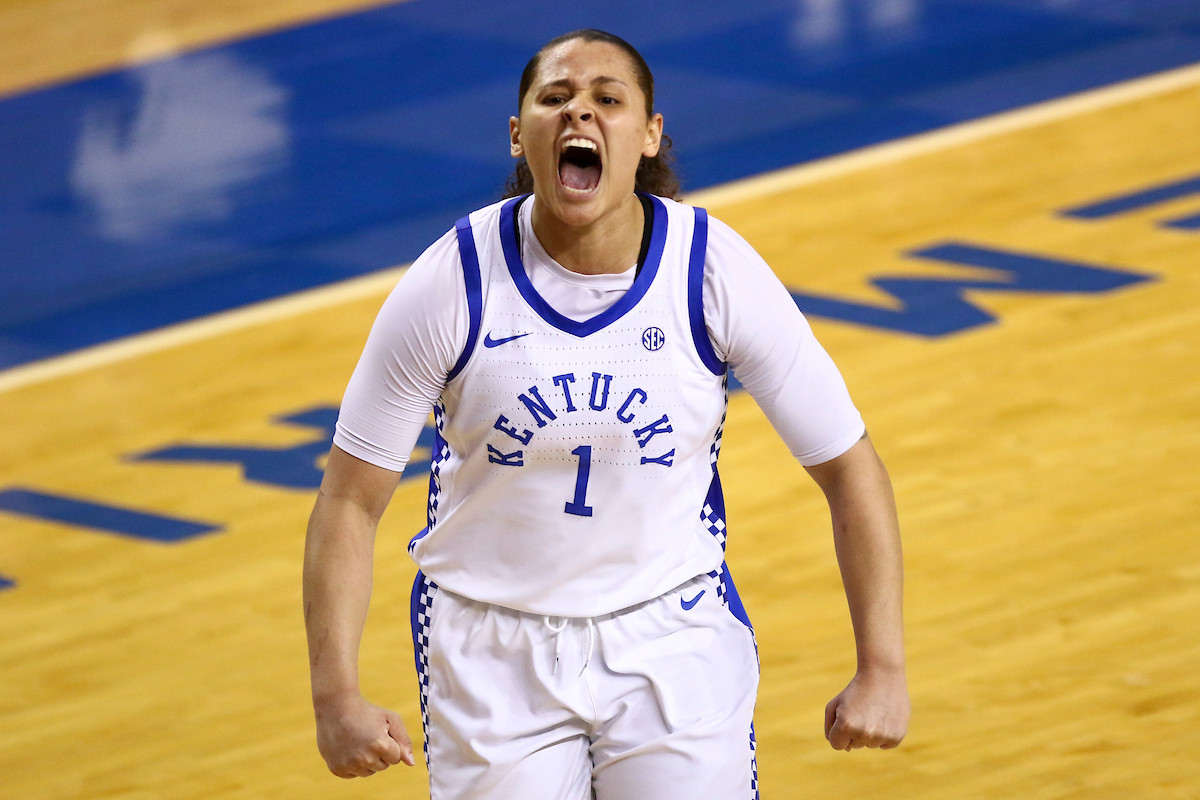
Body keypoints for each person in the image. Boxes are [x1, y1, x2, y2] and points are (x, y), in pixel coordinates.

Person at [303, 28, 909, 800]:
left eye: (607, 99)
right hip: (490, 644)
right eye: (554, 99)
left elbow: (849, 467)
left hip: (672, 628)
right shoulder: (450, 282)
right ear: (520, 136)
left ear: (649, 135)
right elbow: (351, 500)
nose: (578, 114)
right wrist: (335, 698)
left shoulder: (713, 269)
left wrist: (882, 667)